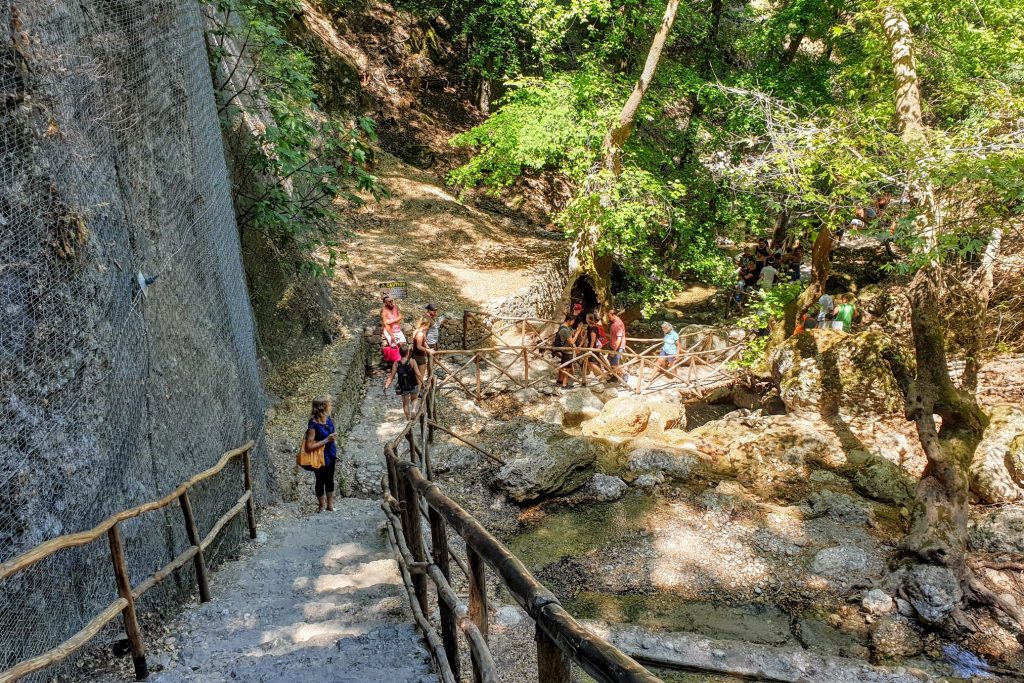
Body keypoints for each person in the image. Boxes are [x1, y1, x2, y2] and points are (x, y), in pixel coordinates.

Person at [304, 395, 337, 513]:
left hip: (330, 454)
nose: (331, 405)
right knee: (320, 480)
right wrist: (327, 440)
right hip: (319, 457)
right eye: (329, 403)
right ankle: (321, 506)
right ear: (323, 406)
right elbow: (308, 447)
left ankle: (330, 506)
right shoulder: (313, 425)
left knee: (330, 480)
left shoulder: (327, 419)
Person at [384, 343, 423, 419]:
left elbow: (391, 377)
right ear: (408, 352)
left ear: (399, 353)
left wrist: (386, 386)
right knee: (414, 398)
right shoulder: (412, 361)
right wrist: (423, 383)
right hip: (413, 384)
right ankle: (414, 410)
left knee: (405, 404)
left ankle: (408, 419)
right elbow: (418, 374)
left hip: (403, 386)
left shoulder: (396, 364)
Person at [554, 314, 579, 389]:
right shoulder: (564, 329)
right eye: (573, 321)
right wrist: (578, 332)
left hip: (565, 349)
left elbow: (570, 335)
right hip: (568, 350)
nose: (573, 322)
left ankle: (560, 380)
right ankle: (564, 384)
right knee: (567, 367)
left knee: (563, 365)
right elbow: (572, 341)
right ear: (568, 321)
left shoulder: (566, 327)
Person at [380, 295, 404, 362]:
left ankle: (401, 362)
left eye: (392, 301)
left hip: (398, 330)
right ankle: (395, 364)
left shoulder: (395, 307)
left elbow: (401, 316)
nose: (391, 302)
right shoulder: (384, 311)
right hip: (390, 331)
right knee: (394, 347)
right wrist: (392, 335)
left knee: (403, 345)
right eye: (389, 301)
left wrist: (391, 321)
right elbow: (386, 325)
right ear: (385, 303)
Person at [608, 308, 627, 382]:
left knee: (614, 363)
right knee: (610, 360)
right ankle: (615, 376)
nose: (609, 318)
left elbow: (619, 339)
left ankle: (624, 374)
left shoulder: (618, 324)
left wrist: (614, 351)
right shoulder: (615, 323)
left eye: (609, 317)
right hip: (613, 346)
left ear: (614, 315)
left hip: (617, 347)